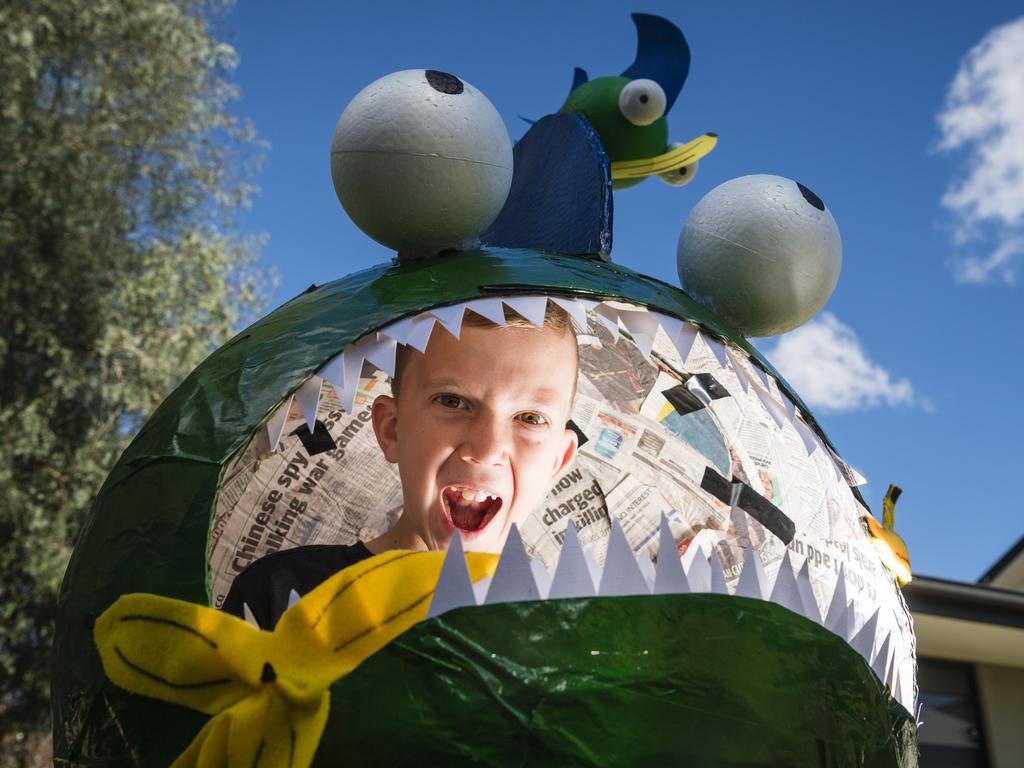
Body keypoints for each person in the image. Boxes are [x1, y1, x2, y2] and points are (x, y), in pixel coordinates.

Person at [222, 301, 580, 627]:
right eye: (452, 401)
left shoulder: (575, 640)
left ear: (558, 460)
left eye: (531, 417)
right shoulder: (281, 596)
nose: (487, 449)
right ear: (392, 429)